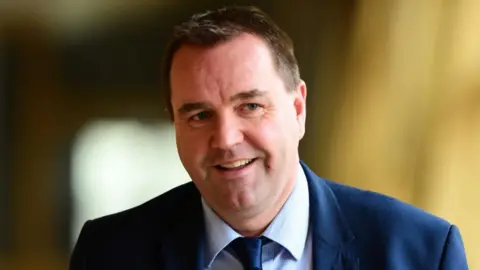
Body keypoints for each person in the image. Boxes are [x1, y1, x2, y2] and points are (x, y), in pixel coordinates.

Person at [69, 5, 468, 270]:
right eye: (200, 115)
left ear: (298, 110)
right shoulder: (109, 253)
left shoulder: (422, 252)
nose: (225, 138)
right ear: (174, 124)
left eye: (250, 106)